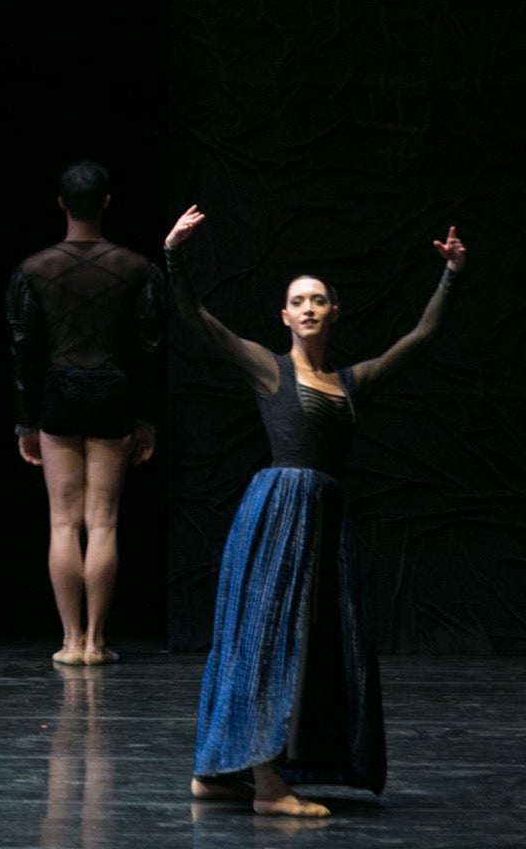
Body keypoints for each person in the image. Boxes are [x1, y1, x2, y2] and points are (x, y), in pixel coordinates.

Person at [165, 205, 466, 817]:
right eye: (297, 301)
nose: (307, 308)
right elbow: (196, 319)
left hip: (324, 522)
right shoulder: (267, 368)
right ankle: (267, 786)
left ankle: (222, 774)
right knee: (267, 640)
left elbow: (421, 339)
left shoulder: (352, 382)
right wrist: (174, 256)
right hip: (278, 518)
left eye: (318, 300)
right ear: (284, 316)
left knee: (312, 648)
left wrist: (452, 275)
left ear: (334, 311)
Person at [6, 160, 165, 666]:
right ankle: (96, 642)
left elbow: (22, 349)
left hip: (58, 392)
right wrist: (146, 419)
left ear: (61, 204)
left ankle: (70, 640)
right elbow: (149, 350)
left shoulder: (34, 270)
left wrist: (25, 421)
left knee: (62, 523)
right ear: (107, 203)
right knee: (102, 522)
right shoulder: (137, 268)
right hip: (112, 395)